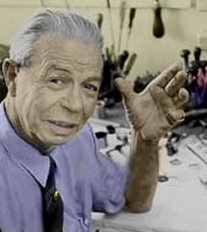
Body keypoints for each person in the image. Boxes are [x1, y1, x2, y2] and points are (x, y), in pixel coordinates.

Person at [0, 10, 188, 232]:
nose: (76, 105)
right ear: (12, 77)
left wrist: (146, 140)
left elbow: (133, 199)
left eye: (89, 86)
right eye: (56, 80)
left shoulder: (78, 140)